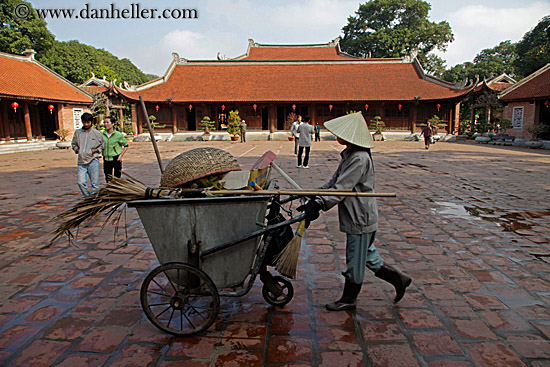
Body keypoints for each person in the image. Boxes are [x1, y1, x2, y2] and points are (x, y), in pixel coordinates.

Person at [297, 112, 412, 311]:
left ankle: (349, 298)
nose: (336, 135)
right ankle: (399, 279)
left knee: (355, 260)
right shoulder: (349, 155)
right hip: (359, 215)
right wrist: (315, 196)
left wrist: (319, 204)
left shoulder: (359, 158)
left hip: (359, 217)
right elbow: (334, 182)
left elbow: (342, 188)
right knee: (368, 256)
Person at [71, 112, 104, 196]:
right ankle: (88, 197)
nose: (86, 124)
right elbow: (73, 144)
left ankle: (93, 200)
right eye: (84, 122)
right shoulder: (78, 133)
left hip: (93, 160)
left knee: (94, 184)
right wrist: (76, 149)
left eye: (88, 122)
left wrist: (96, 150)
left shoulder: (97, 133)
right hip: (81, 161)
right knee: (80, 182)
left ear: (91, 122)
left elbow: (102, 146)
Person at [102, 116, 129, 182]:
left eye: (107, 122)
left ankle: (117, 190)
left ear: (113, 123)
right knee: (108, 177)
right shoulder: (102, 135)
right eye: (104, 122)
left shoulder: (118, 135)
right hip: (106, 158)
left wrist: (121, 156)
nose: (105, 124)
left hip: (116, 158)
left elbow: (126, 145)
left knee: (117, 177)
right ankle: (110, 190)